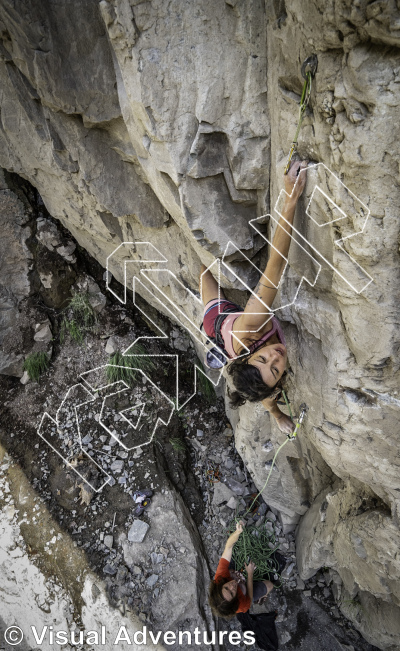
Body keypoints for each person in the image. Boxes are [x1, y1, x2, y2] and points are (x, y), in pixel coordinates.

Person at [200, 160, 308, 433]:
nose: (275, 356)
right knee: (260, 388)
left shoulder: (253, 324)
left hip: (219, 320)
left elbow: (276, 265)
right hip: (235, 351)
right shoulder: (265, 383)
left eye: (263, 359)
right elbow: (266, 395)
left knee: (204, 272)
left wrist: (291, 199)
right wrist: (278, 416)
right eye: (275, 368)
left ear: (248, 357)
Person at [208, 521, 273, 618]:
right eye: (231, 593)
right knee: (270, 585)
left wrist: (237, 532)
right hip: (245, 592)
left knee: (235, 550)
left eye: (226, 588)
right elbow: (249, 598)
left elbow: (228, 547)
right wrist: (250, 574)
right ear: (235, 599)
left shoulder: (220, 578)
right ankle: (260, 597)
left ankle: (238, 574)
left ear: (221, 585)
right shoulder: (241, 604)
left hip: (230, 574)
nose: (232, 586)